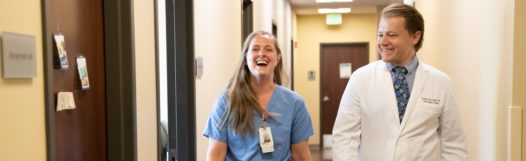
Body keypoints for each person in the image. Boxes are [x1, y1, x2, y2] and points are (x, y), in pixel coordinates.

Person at [332, 3, 468, 161]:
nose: (383, 41)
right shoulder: (360, 79)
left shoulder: (441, 83)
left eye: (391, 34)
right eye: (380, 34)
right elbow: (344, 137)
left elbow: (454, 144)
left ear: (415, 37)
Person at [203, 31, 314, 161]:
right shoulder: (226, 102)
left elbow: (301, 156)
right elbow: (215, 156)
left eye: (268, 49)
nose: (262, 53)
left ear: (277, 59)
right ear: (245, 59)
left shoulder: (295, 103)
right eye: (255, 49)